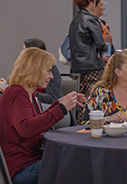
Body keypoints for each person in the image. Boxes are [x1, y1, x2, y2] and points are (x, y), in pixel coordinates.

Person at [0, 48, 85, 184]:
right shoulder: (18, 94)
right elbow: (26, 128)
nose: (51, 76)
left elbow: (35, 122)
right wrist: (61, 109)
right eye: (48, 71)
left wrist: (59, 104)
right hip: (21, 168)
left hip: (27, 163)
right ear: (34, 69)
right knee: (77, 167)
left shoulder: (28, 93)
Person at [69, 0, 107, 123]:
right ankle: (92, 125)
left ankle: (79, 125)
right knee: (94, 98)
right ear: (91, 1)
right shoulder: (90, 19)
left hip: (77, 67)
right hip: (92, 67)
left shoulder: (75, 20)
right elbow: (102, 45)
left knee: (80, 100)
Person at [23, 38, 77, 126]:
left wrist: (30, 94)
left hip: (50, 108)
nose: (21, 54)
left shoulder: (51, 69)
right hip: (35, 109)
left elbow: (53, 98)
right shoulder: (24, 71)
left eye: (24, 50)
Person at [90, 0, 115, 64]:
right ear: (94, 7)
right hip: (95, 64)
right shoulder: (89, 24)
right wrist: (99, 57)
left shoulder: (104, 23)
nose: (104, 7)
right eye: (101, 5)